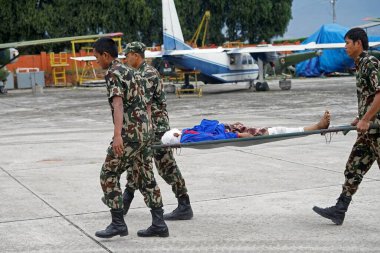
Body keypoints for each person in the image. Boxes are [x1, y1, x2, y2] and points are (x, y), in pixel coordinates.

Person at [93, 38, 168, 238]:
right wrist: (147, 128)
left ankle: (118, 222)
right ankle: (159, 223)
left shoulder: (113, 73)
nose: (96, 62)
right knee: (145, 177)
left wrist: (118, 136)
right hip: (144, 132)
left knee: (108, 173)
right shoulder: (132, 71)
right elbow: (148, 103)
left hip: (129, 134)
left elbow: (118, 104)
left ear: (105, 55)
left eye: (97, 57)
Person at [313, 27, 380, 225]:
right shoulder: (360, 65)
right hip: (369, 131)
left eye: (347, 43)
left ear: (358, 43)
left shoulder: (370, 62)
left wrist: (366, 119)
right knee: (353, 167)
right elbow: (369, 98)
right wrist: (360, 117)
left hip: (377, 129)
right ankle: (339, 210)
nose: (345, 47)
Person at [122, 41, 193, 220]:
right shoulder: (139, 73)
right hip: (145, 126)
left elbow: (140, 102)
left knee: (166, 166)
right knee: (136, 163)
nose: (125, 58)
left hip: (155, 128)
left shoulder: (146, 74)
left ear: (136, 55)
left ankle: (184, 204)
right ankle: (125, 199)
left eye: (127, 54)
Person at [161, 111, 331, 145]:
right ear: (175, 134)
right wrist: (236, 135)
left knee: (274, 130)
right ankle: (316, 126)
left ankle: (316, 126)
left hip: (231, 129)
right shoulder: (188, 138)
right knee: (275, 132)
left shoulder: (186, 134)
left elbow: (205, 129)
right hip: (235, 134)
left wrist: (230, 126)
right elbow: (212, 138)